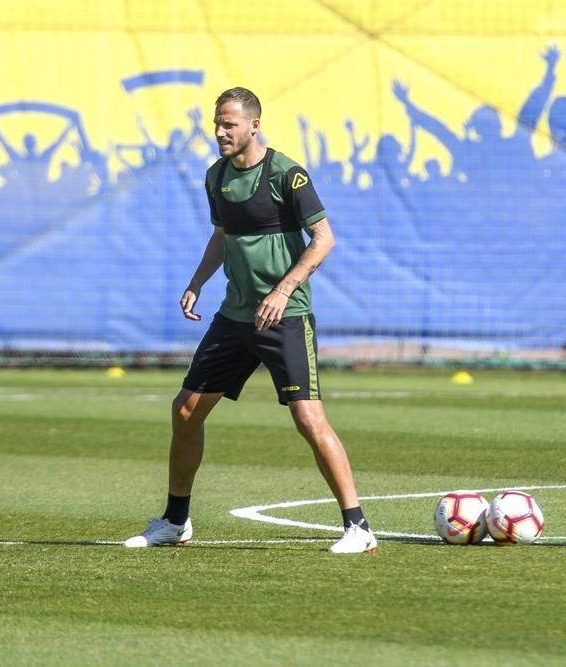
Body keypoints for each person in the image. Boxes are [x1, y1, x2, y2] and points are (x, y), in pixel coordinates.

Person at [124, 87, 377, 554]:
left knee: (308, 418)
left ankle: (358, 528)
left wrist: (283, 290)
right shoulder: (216, 177)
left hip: (285, 316)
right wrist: (197, 280)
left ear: (254, 125)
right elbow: (222, 236)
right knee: (185, 410)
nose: (221, 132)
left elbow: (323, 239)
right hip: (235, 316)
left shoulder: (287, 175)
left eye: (230, 124)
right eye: (217, 124)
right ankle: (176, 521)